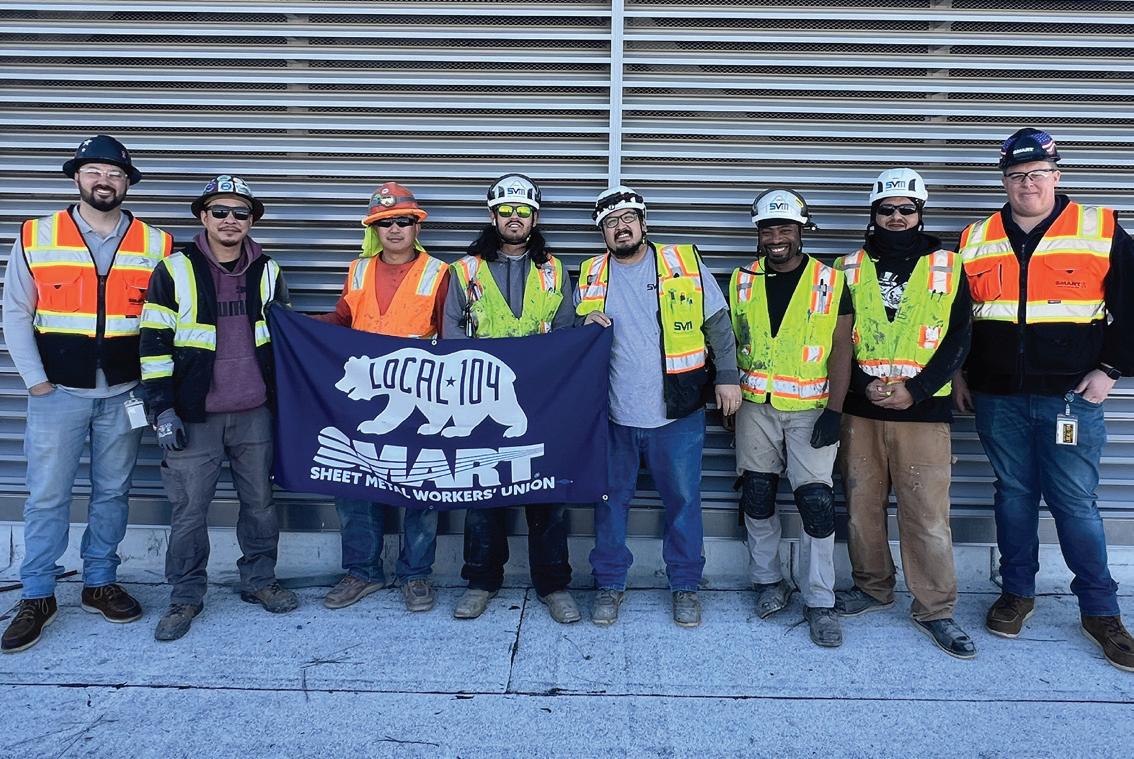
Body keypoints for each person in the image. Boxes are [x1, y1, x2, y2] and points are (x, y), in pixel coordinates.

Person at [953, 128, 1134, 672]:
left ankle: (1101, 611)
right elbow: (959, 318)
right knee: (1012, 495)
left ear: (1056, 175)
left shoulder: (1099, 228)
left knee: (1075, 502)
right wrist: (960, 374)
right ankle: (1017, 593)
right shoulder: (976, 237)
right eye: (1016, 176)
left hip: (1070, 397)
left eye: (1037, 174)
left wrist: (1110, 370)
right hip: (998, 396)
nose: (1026, 184)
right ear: (1004, 181)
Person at [1, 136, 172, 654]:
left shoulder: (156, 243)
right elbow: (15, 311)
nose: (105, 181)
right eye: (94, 171)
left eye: (115, 173)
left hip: (124, 391)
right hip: (56, 392)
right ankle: (37, 594)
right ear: (77, 177)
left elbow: (166, 319)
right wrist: (35, 380)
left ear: (127, 182)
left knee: (113, 492)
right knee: (47, 495)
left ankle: (100, 582)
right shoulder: (37, 234)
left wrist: (153, 384)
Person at [140, 175, 297, 642]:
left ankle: (260, 580)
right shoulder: (174, 270)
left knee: (260, 504)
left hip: (255, 412)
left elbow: (286, 338)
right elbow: (153, 345)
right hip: (194, 416)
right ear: (203, 217)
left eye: (240, 213)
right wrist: (162, 409)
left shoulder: (268, 270)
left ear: (251, 221)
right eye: (220, 211)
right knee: (190, 510)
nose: (230, 220)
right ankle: (185, 595)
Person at [577, 185, 741, 628]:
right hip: (613, 415)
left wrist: (728, 377)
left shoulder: (682, 263)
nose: (621, 227)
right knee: (610, 502)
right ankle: (609, 584)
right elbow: (569, 332)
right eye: (610, 223)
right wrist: (581, 321)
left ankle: (685, 584)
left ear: (644, 224)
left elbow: (718, 325)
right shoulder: (591, 273)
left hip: (677, 414)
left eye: (628, 218)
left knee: (684, 501)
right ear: (602, 233)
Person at [834, 169, 975, 659]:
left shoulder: (949, 266)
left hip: (924, 413)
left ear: (920, 213)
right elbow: (833, 339)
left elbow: (960, 338)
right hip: (862, 410)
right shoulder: (846, 268)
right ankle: (872, 587)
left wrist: (916, 390)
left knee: (927, 517)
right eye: (887, 209)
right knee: (861, 509)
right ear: (873, 214)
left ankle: (935, 609)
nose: (896, 217)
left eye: (906, 209)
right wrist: (861, 386)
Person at [441, 173, 580, 624]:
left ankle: (554, 584)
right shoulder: (464, 271)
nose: (514, 218)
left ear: (535, 218)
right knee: (483, 496)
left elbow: (566, 332)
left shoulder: (555, 270)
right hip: (480, 400)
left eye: (523, 211)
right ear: (493, 216)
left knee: (546, 494)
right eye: (506, 210)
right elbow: (451, 335)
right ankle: (481, 581)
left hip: (541, 401)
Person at [315, 182, 447, 612]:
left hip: (419, 396)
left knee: (422, 487)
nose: (394, 229)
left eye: (403, 221)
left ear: (416, 227)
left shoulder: (439, 273)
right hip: (365, 397)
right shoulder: (357, 269)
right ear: (374, 229)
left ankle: (416, 575)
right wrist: (294, 325)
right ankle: (363, 572)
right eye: (384, 222)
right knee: (355, 483)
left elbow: (451, 337)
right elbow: (342, 319)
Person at [728, 189, 852, 648]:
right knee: (757, 495)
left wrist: (835, 411)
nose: (776, 237)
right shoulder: (741, 280)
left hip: (811, 409)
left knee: (816, 501)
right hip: (754, 406)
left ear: (801, 231)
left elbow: (842, 349)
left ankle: (820, 600)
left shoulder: (830, 280)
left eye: (785, 228)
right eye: (767, 229)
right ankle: (768, 581)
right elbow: (731, 341)